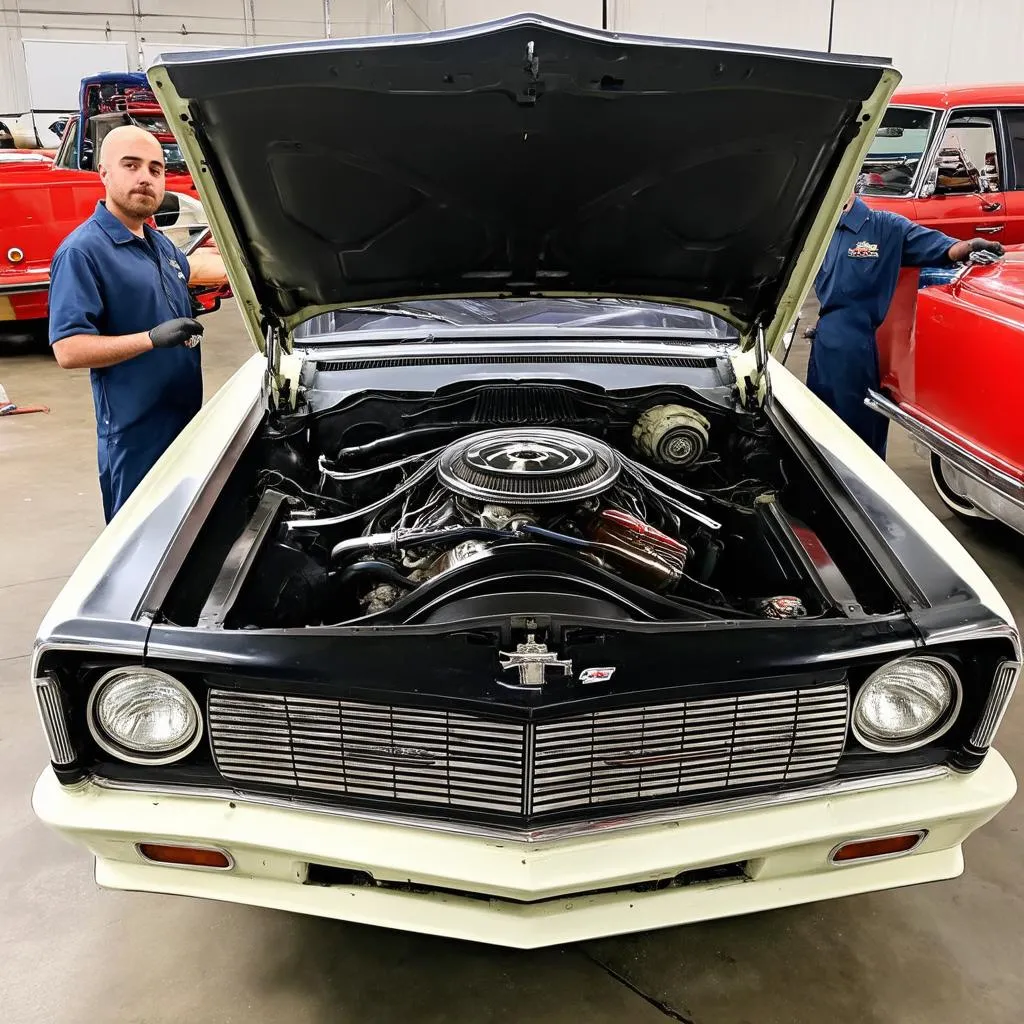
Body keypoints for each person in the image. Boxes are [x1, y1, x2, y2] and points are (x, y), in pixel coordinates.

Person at [48, 124, 224, 522]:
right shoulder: (83, 252)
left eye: (156, 169)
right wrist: (150, 339)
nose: (146, 177)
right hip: (134, 437)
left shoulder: (156, 241)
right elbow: (69, 349)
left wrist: (246, 267)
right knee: (139, 551)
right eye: (131, 165)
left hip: (183, 422)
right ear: (104, 173)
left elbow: (192, 267)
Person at [806, 192, 1004, 458]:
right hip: (822, 344)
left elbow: (940, 247)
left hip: (860, 348)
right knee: (817, 430)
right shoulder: (817, 229)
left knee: (861, 441)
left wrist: (969, 248)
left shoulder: (885, 227)